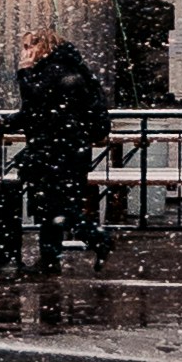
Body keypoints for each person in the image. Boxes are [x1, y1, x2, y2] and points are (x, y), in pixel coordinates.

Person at [13, 28, 113, 274]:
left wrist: (24, 74)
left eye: (29, 47)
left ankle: (97, 239)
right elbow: (42, 111)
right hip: (68, 148)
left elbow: (37, 105)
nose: (25, 53)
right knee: (54, 207)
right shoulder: (70, 69)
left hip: (56, 149)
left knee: (55, 207)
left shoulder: (53, 72)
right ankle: (50, 259)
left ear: (44, 47)